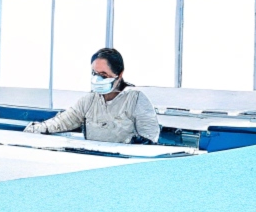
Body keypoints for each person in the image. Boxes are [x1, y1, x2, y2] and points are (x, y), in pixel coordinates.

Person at [25, 47, 159, 144]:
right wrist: (36, 128)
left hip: (122, 163)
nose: (98, 79)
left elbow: (150, 138)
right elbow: (63, 121)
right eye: (94, 74)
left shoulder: (135, 99)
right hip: (94, 159)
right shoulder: (89, 100)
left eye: (103, 75)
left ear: (119, 74)